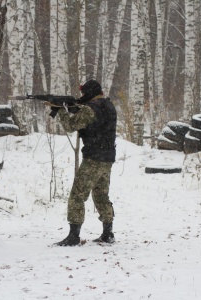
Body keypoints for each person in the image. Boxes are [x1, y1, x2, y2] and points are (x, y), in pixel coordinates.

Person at [54, 79, 117, 246]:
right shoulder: (108, 105)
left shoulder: (91, 109)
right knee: (101, 195)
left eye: (83, 93)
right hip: (107, 158)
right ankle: (108, 233)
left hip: (93, 158)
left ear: (89, 92)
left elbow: (70, 125)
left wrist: (60, 109)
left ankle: (73, 236)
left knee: (77, 196)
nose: (82, 96)